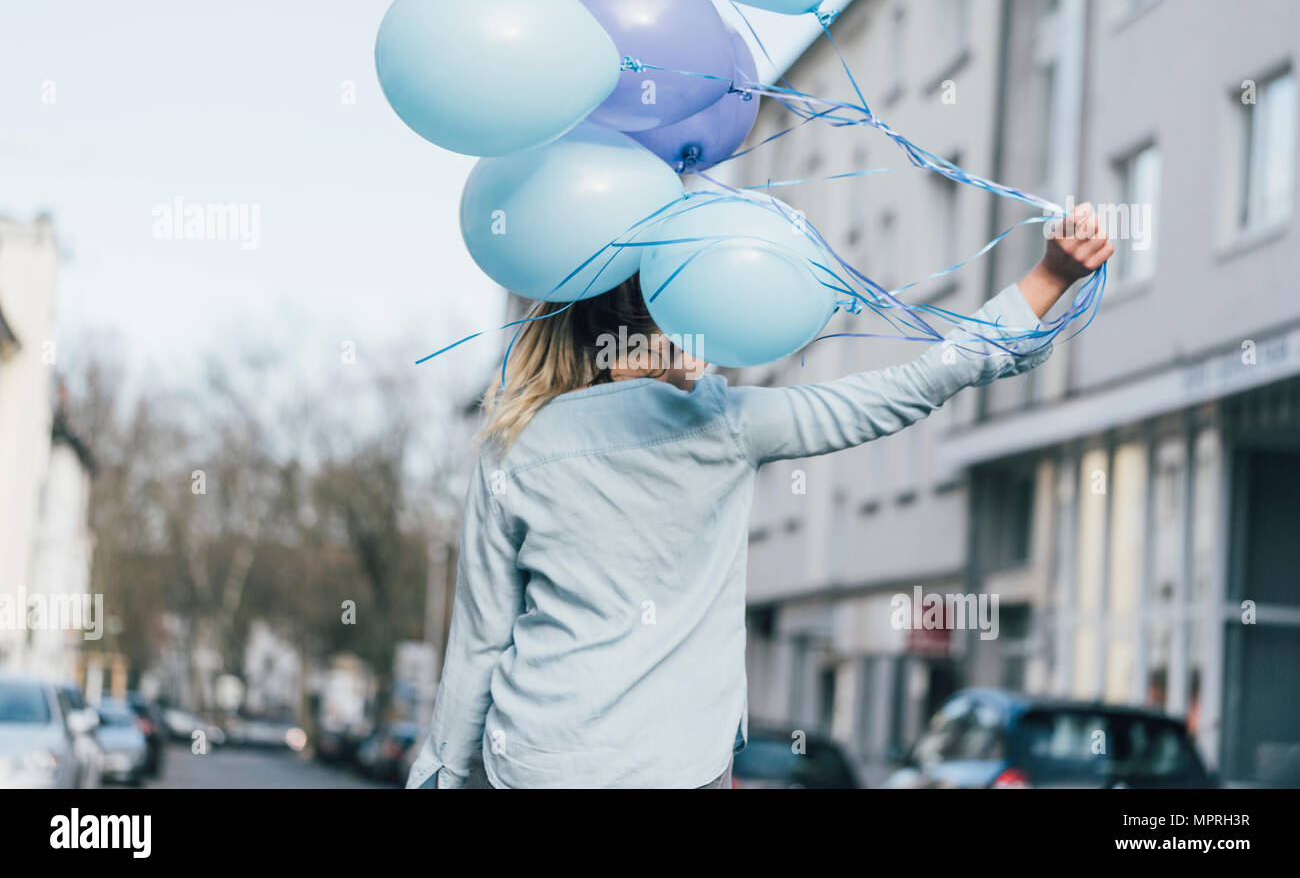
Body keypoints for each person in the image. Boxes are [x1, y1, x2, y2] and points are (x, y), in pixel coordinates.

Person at [408, 204, 1113, 789]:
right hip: (674, 765)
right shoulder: (723, 426)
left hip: (537, 756)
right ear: (675, 320)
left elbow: (478, 640)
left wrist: (438, 768)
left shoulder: (514, 445)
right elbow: (915, 385)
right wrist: (1048, 278)